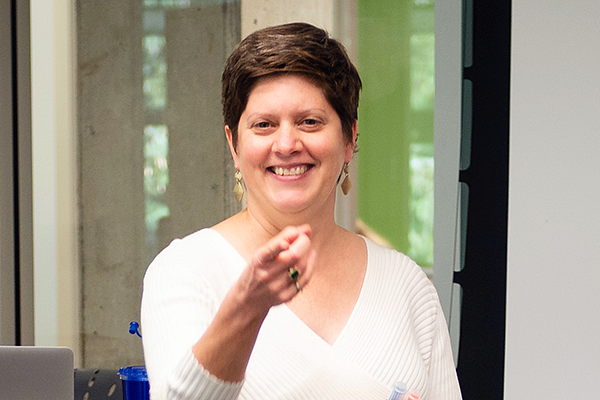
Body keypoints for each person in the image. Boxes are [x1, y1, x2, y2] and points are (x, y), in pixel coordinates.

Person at [141, 22, 462, 400]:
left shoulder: (407, 285)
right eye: (264, 125)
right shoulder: (185, 269)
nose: (287, 143)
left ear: (349, 139)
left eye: (310, 121)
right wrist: (247, 306)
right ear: (234, 145)